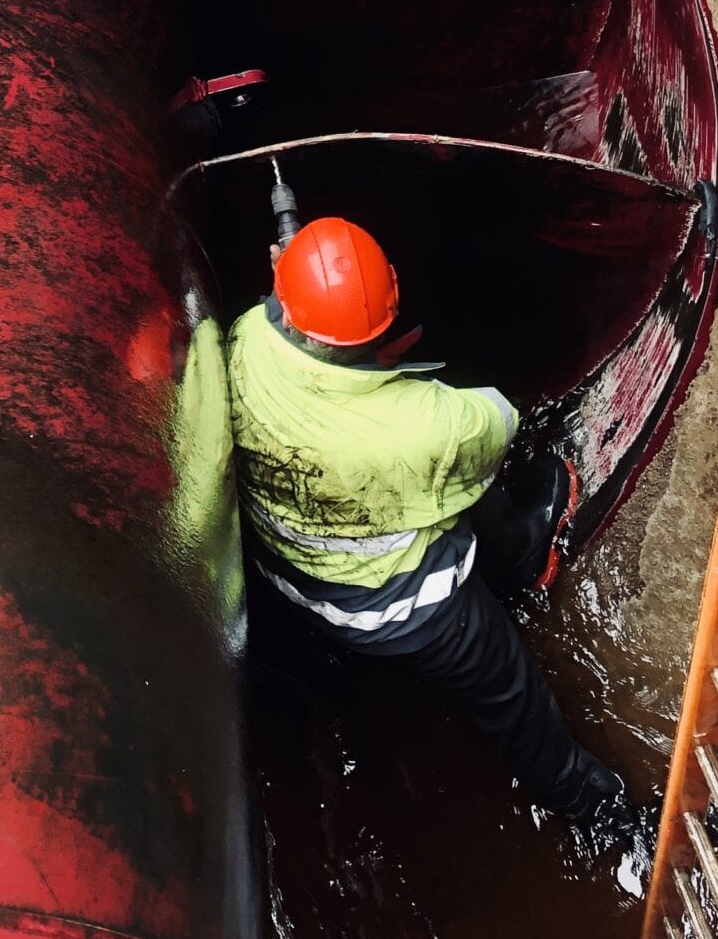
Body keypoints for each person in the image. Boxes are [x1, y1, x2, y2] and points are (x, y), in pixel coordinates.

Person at [226, 212, 636, 835]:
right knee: (511, 694)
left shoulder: (247, 336)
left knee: (435, 489)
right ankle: (594, 807)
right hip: (404, 609)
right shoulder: (430, 425)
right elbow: (497, 422)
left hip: (284, 572)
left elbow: (285, 316)